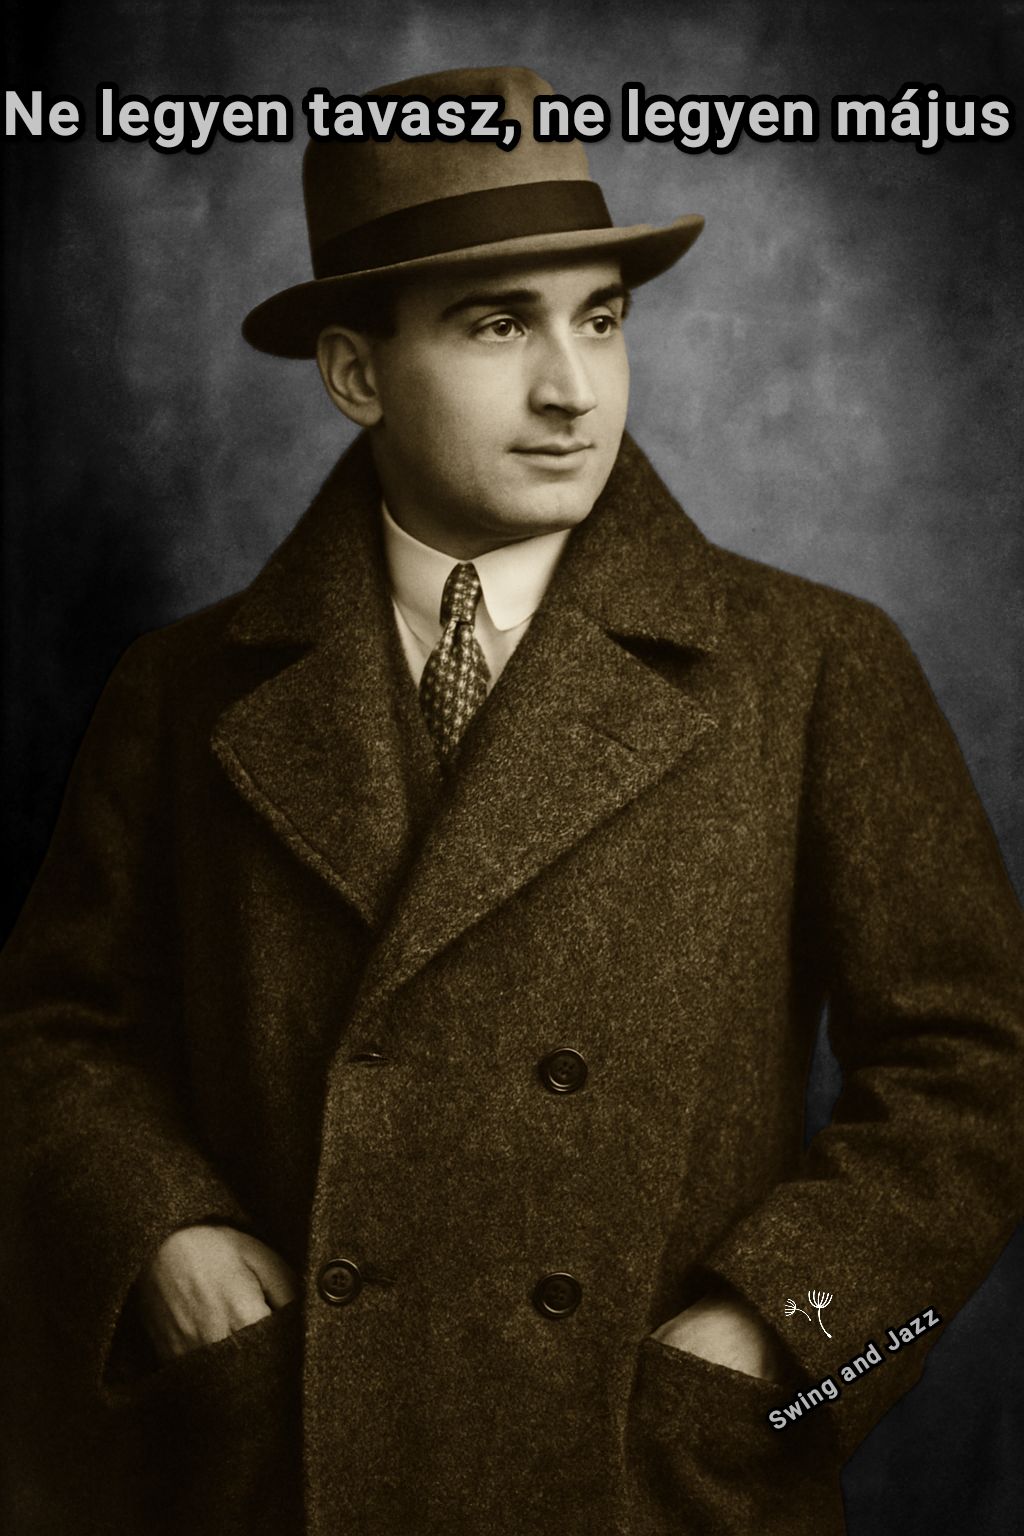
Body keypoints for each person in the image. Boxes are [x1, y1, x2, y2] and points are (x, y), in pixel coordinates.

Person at [0, 64, 1021, 1536]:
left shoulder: (814, 666)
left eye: (600, 318)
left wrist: (788, 1354)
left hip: (651, 1485)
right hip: (275, 1472)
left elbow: (979, 1075)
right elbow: (51, 1032)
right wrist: (161, 1236)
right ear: (356, 375)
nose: (573, 389)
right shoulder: (179, 693)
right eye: (498, 325)